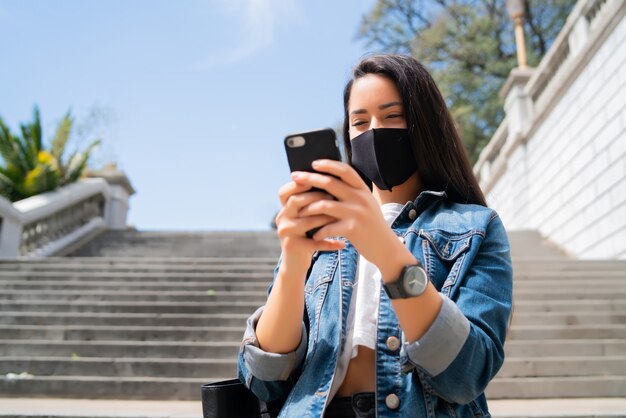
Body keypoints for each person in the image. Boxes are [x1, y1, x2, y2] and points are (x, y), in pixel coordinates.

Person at [237, 54, 513, 418]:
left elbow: (466, 374)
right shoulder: (322, 234)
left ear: (423, 125)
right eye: (360, 121)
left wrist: (383, 247)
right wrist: (293, 261)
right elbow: (263, 379)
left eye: (392, 116)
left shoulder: (475, 227)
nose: (373, 131)